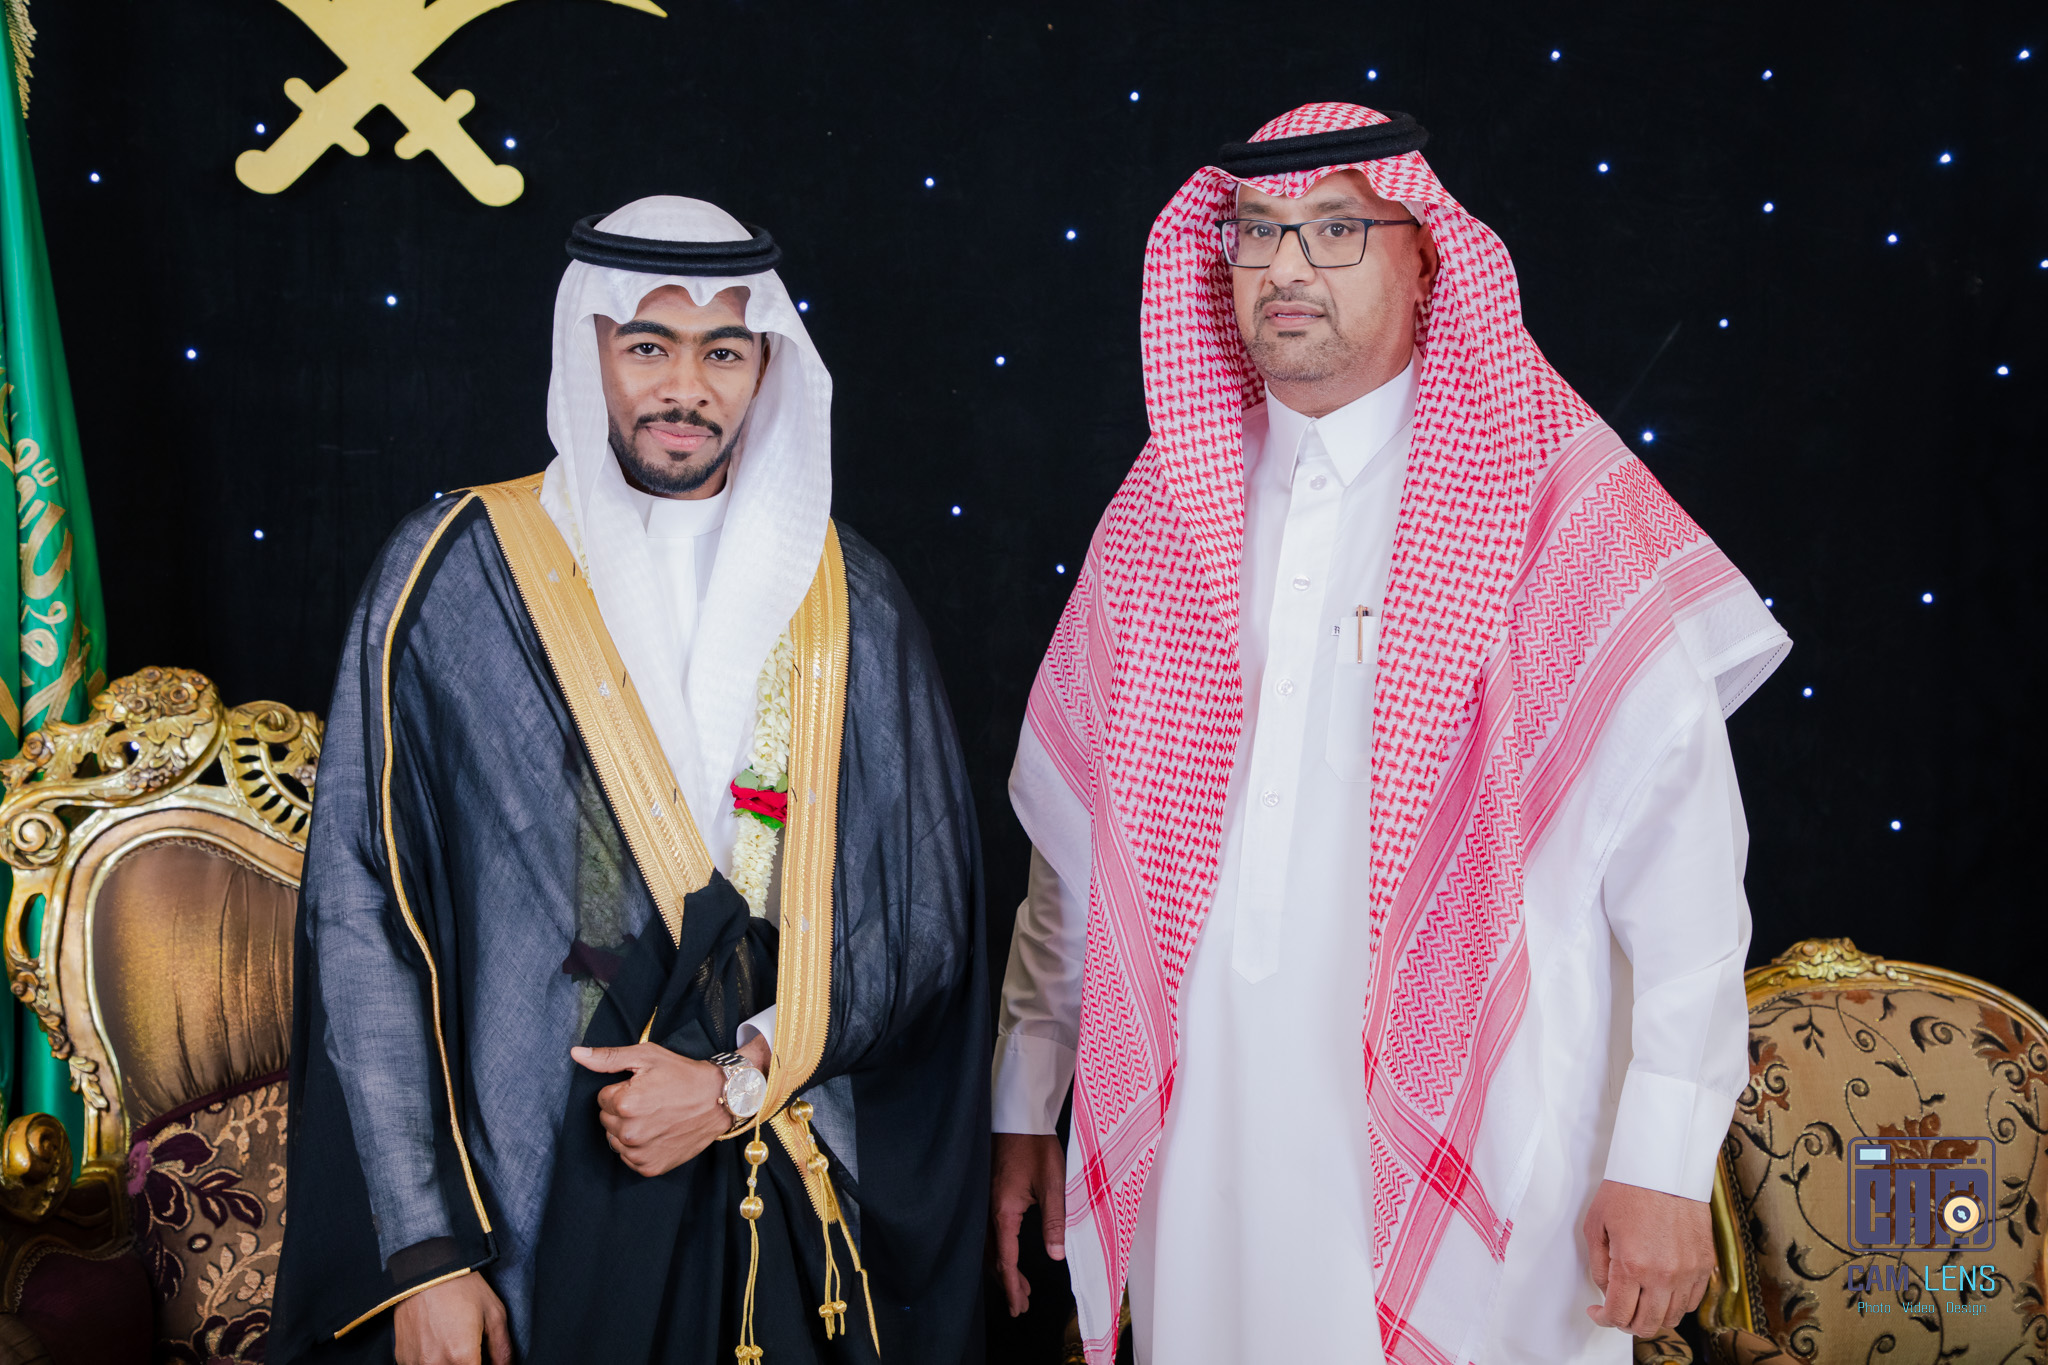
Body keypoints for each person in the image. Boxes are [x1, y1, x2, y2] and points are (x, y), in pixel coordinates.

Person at [988, 104, 1788, 1365]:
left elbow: (1682, 869)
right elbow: (1080, 850)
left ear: (1425, 263)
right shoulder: (1161, 509)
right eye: (1257, 232)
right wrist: (1026, 1096)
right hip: (1202, 1144)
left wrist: (1662, 1159)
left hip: (1489, 1138)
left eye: (1334, 229)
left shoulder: (1554, 503)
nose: (1285, 266)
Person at [274, 196, 987, 1365]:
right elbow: (364, 912)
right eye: (648, 346)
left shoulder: (846, 596)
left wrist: (733, 1083)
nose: (684, 388)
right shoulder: (458, 574)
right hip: (527, 1199)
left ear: (767, 365)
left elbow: (920, 920)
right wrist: (426, 1251)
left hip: (775, 1172)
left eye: (723, 352)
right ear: (589, 347)